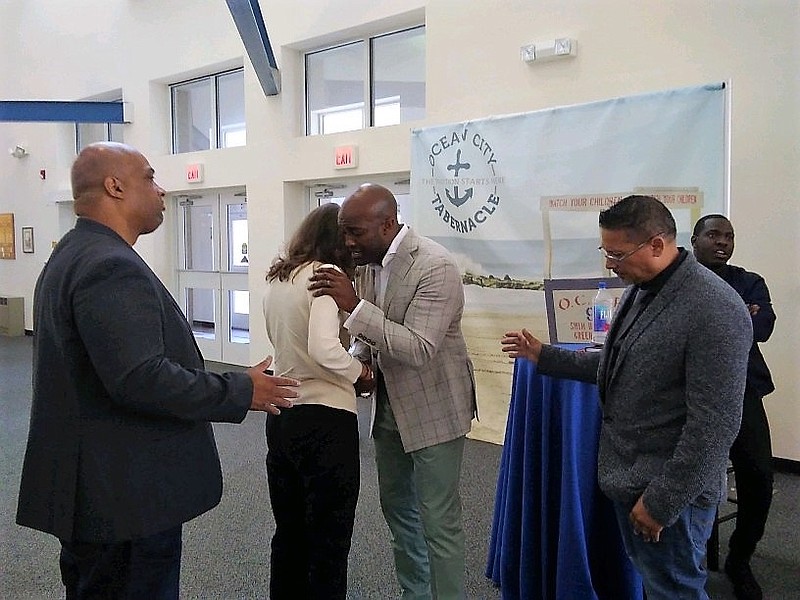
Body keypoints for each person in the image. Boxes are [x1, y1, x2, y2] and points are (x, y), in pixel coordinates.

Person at [16, 142, 299, 600]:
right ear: (115, 186)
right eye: (149, 177)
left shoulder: (75, 253)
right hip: (124, 498)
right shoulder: (109, 265)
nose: (161, 189)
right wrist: (241, 390)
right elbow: (139, 378)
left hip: (102, 489)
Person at [501, 195, 752, 600]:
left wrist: (661, 503)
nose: (608, 264)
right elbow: (617, 365)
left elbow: (714, 427)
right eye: (605, 251)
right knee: (658, 586)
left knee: (677, 589)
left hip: (671, 495)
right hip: (633, 480)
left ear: (656, 244)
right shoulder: (643, 288)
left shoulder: (716, 309)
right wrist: (545, 356)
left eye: (616, 254)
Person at [308, 184, 477, 600]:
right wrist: (356, 364)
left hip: (435, 410)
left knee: (439, 523)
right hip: (388, 412)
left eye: (355, 232)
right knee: (399, 515)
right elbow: (371, 335)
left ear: (388, 223)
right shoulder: (367, 263)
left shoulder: (435, 266)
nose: (347, 242)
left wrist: (354, 307)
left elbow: (419, 348)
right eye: (343, 231)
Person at [262, 203, 375, 599]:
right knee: (329, 543)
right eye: (347, 234)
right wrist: (361, 374)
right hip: (326, 424)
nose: (351, 243)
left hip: (283, 417)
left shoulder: (280, 277)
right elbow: (325, 349)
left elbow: (280, 349)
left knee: (289, 534)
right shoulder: (327, 277)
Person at [692, 214, 776, 600]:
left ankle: (739, 559)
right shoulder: (678, 279)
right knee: (692, 480)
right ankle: (690, 559)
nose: (722, 242)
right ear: (695, 239)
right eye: (713, 235)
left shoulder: (749, 281)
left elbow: (761, 329)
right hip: (689, 395)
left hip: (743, 392)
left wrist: (730, 320)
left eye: (729, 236)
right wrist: (740, 313)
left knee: (759, 479)